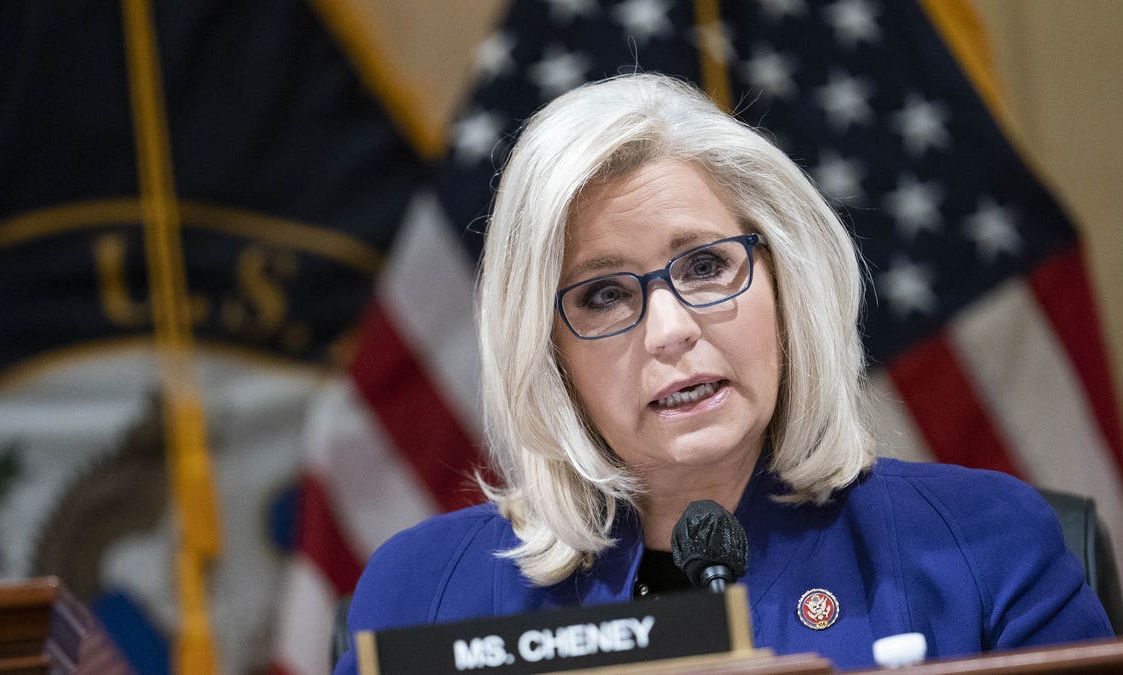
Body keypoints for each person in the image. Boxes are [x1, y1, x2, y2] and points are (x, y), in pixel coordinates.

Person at [333, 73, 1112, 673]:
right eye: (604, 294)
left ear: (784, 282)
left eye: (706, 266)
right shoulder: (424, 596)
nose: (671, 330)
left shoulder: (983, 549)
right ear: (548, 352)